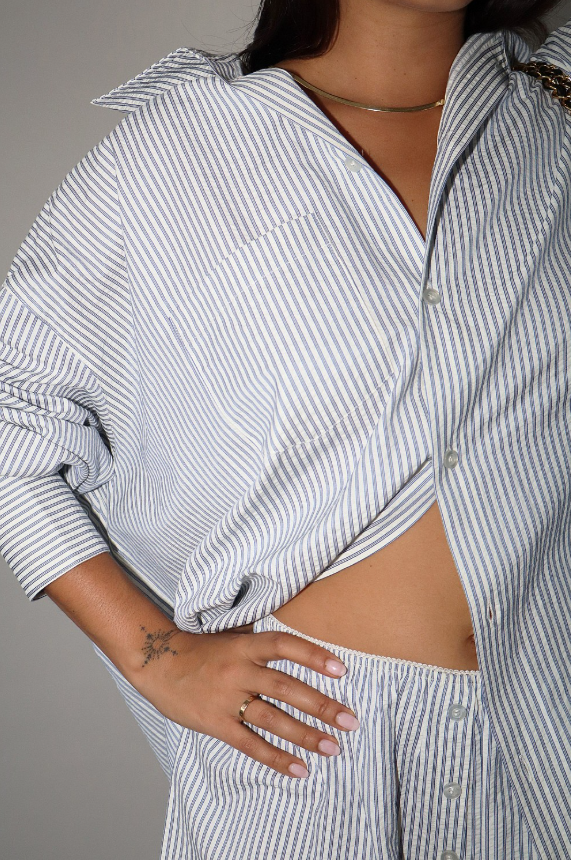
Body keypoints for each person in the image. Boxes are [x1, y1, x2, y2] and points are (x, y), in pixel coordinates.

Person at [1, 0, 570, 856]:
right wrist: (157, 658)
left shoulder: (550, 129)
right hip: (310, 748)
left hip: (543, 740)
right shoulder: (177, 154)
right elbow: (13, 414)